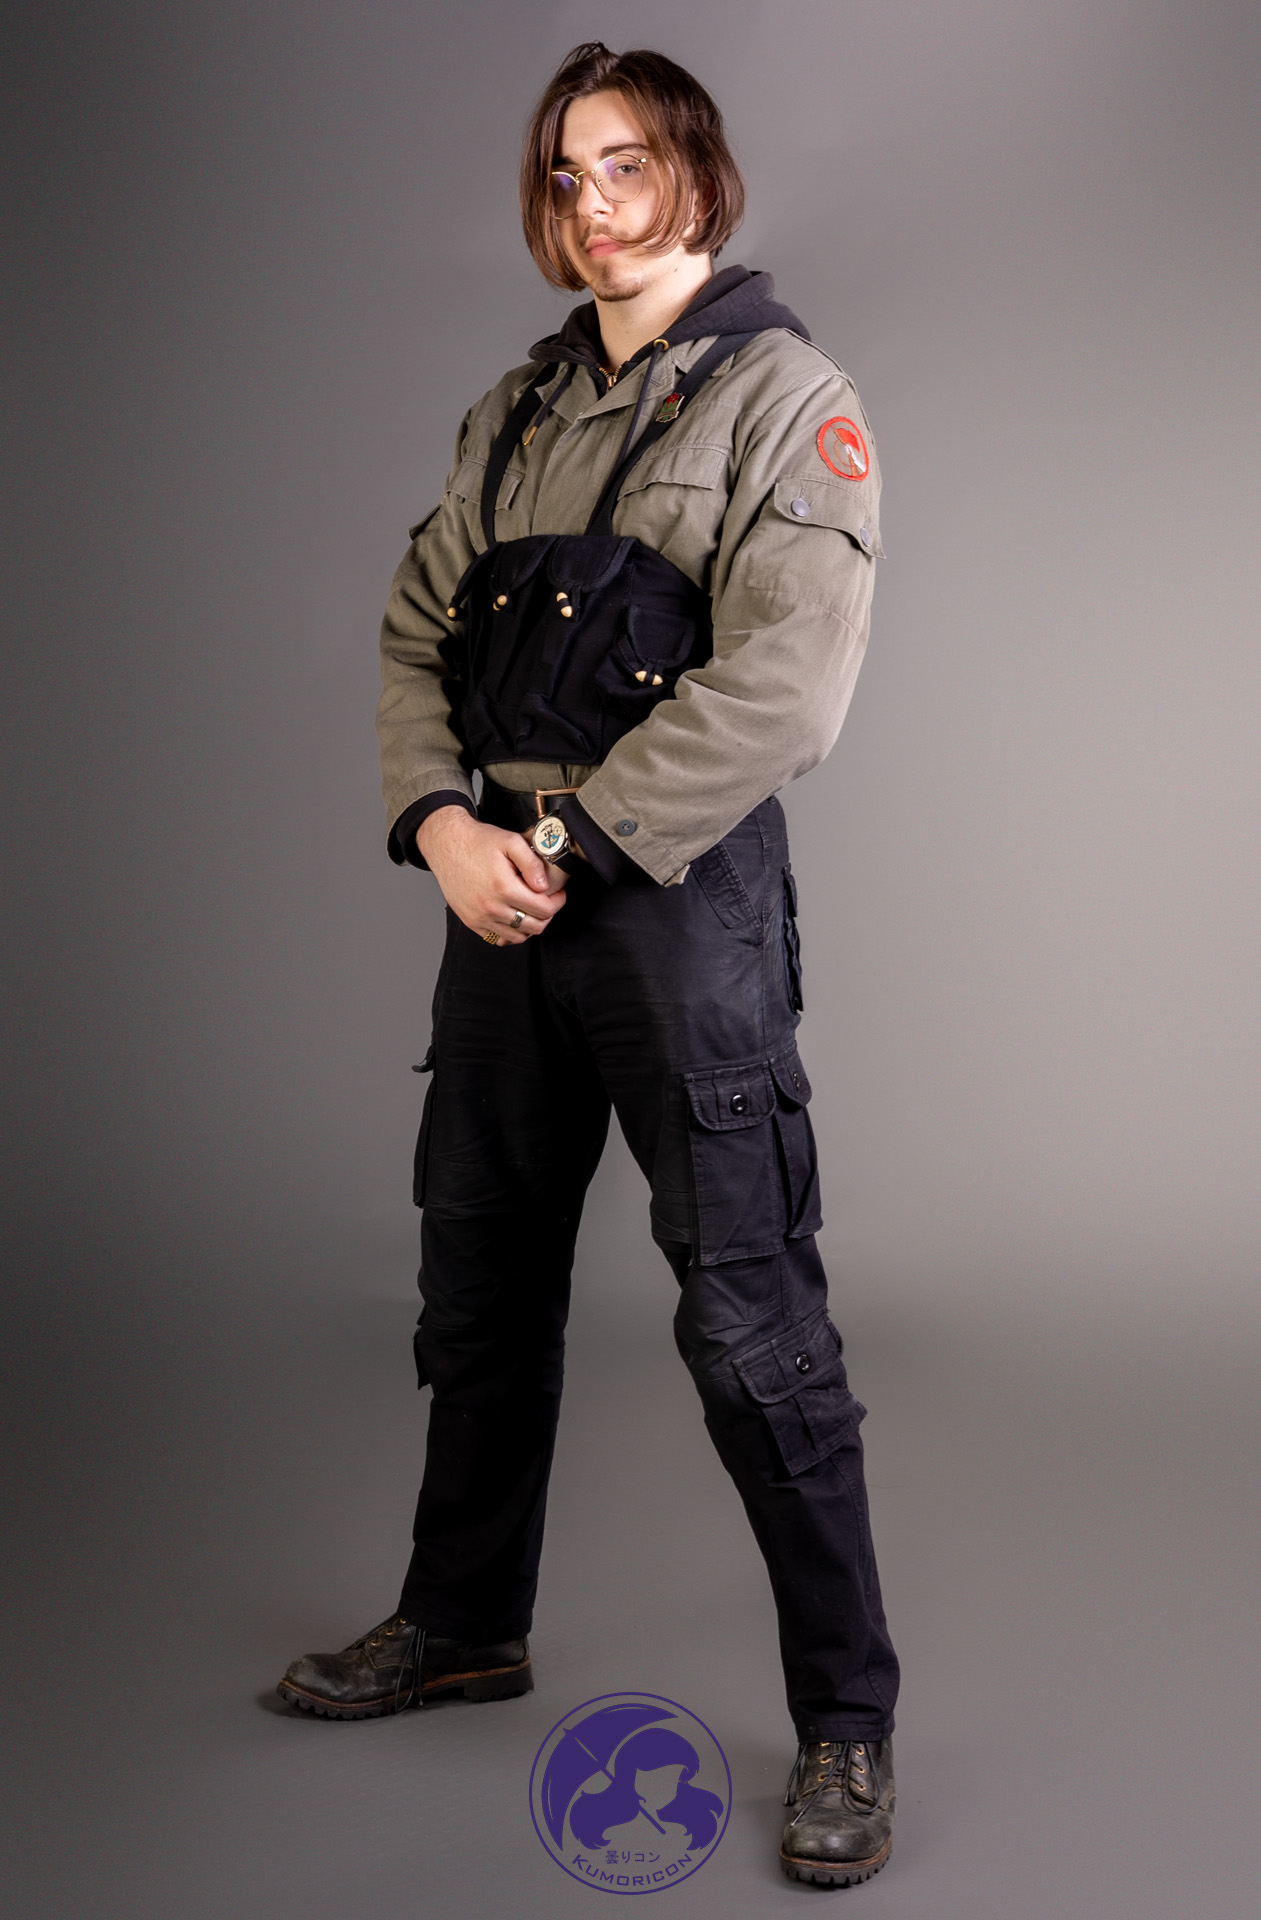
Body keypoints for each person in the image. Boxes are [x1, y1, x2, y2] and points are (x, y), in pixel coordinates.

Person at [277, 41, 900, 1888]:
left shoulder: (788, 398)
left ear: (697, 172)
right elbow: (414, 631)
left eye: (625, 164)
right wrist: (439, 827)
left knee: (751, 1326)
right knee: (475, 1279)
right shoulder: (518, 406)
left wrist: (558, 845)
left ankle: (848, 1717)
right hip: (496, 899)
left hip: (672, 908)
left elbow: (785, 687)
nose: (593, 202)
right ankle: (463, 1622)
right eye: (565, 173)